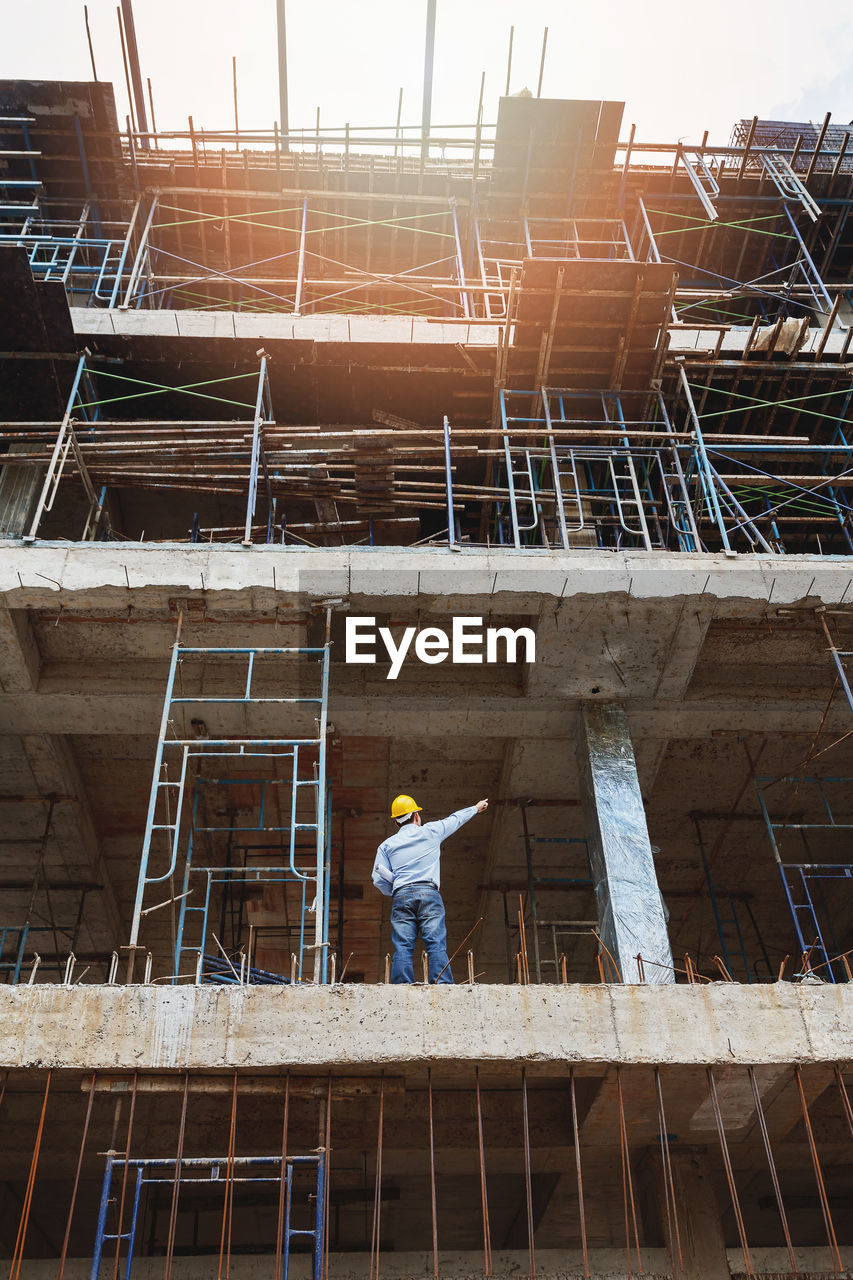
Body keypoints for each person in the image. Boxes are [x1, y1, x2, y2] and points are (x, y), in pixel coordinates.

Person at [372, 794, 489, 984]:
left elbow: (378, 879)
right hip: (429, 892)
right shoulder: (432, 831)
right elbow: (455, 820)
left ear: (396, 823)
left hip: (401, 894)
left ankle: (401, 985)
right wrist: (476, 808)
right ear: (416, 815)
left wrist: (395, 889)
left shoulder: (386, 845)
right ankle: (442, 984)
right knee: (435, 942)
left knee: (402, 945)